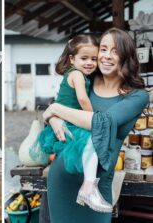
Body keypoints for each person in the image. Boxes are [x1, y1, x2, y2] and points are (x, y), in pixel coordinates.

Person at [43, 28, 149, 223]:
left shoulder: (137, 96)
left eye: (115, 51)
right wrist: (53, 117)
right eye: (104, 49)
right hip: (62, 178)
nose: (106, 56)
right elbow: (60, 106)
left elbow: (102, 122)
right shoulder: (86, 79)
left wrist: (55, 109)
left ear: (126, 56)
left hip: (96, 187)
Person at [31, 34, 112, 212]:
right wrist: (93, 118)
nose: (89, 63)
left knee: (89, 146)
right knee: (92, 142)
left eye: (93, 59)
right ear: (72, 59)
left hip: (66, 119)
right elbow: (82, 99)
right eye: (84, 58)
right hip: (68, 120)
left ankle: (88, 187)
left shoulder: (77, 73)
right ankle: (88, 187)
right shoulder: (77, 75)